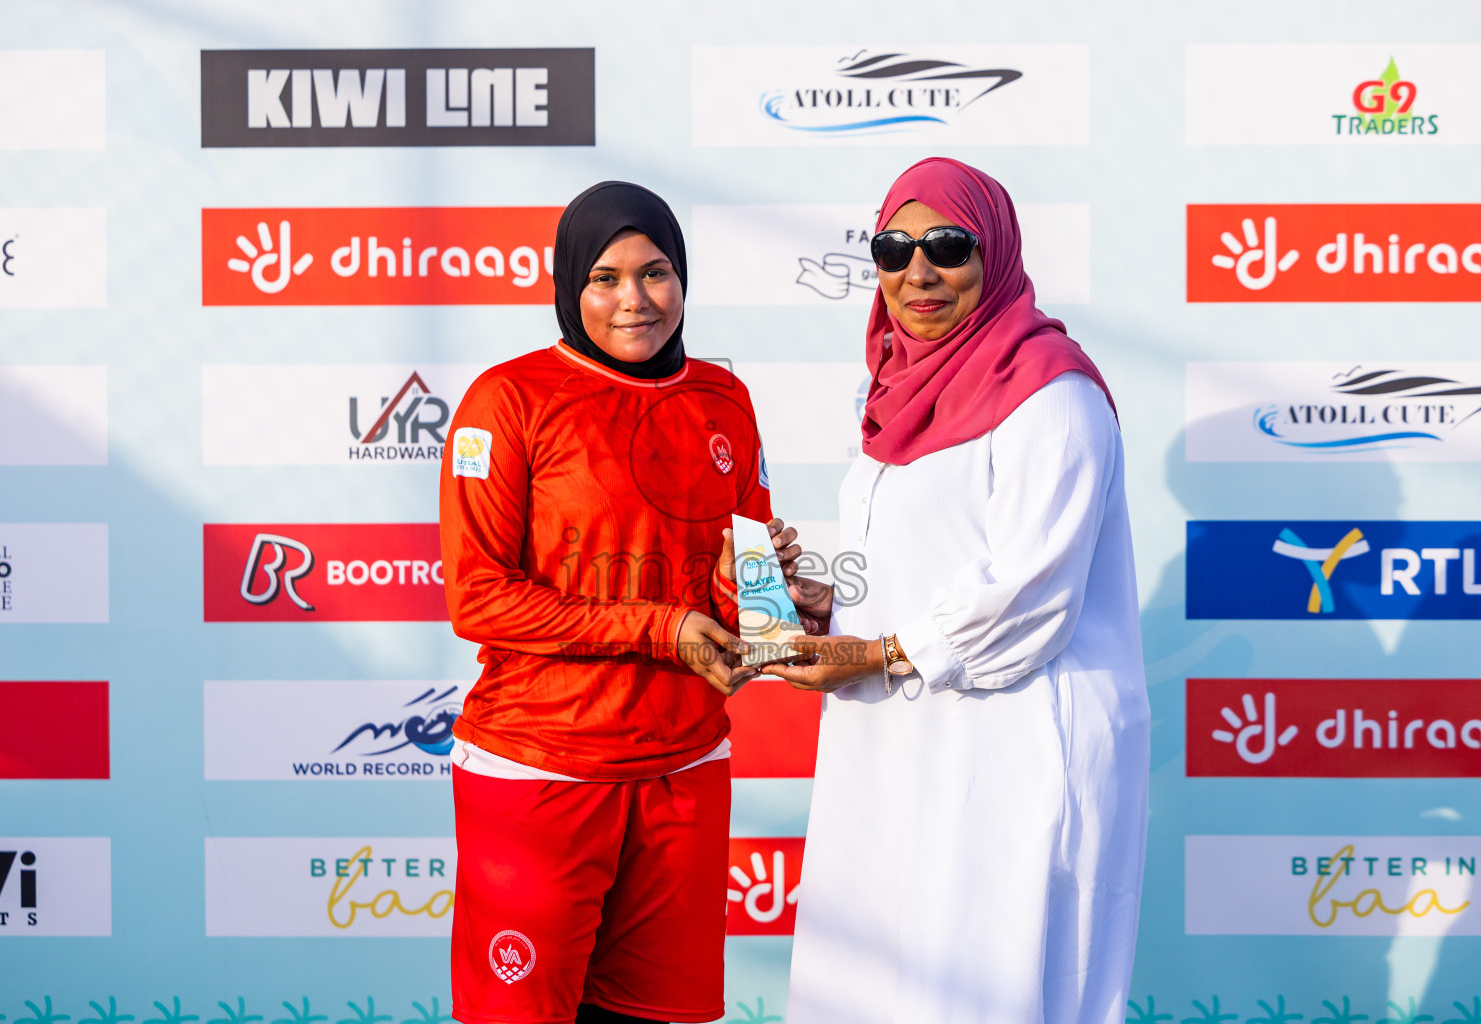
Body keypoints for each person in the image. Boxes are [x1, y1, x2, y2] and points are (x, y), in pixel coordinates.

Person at [767, 158, 1150, 1024]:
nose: (918, 273)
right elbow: (925, 557)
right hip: (897, 735)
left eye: (947, 245)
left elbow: (1028, 590)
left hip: (1010, 742)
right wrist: (831, 607)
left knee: (988, 985)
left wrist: (871, 652)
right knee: (877, 981)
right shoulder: (892, 393)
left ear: (997, 253)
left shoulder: (1050, 392)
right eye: (894, 249)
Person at [438, 181, 793, 1024]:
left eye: (656, 272)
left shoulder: (723, 398)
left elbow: (741, 598)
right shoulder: (508, 401)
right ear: (568, 284)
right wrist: (662, 626)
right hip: (542, 769)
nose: (634, 300)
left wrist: (774, 592)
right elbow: (478, 600)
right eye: (604, 277)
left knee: (658, 1018)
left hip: (685, 767)